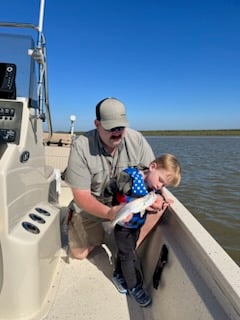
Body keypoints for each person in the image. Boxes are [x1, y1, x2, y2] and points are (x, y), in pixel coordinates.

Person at [64, 97, 163, 260]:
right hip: (93, 205)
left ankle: (131, 251)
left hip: (126, 201)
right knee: (79, 254)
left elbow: (152, 175)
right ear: (97, 124)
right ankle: (75, 218)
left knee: (161, 206)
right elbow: (81, 195)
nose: (117, 132)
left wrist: (159, 197)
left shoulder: (136, 139)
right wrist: (110, 213)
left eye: (121, 127)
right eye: (111, 128)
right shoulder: (81, 145)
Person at [109, 154, 181, 307]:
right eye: (160, 180)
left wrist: (163, 200)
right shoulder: (129, 178)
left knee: (127, 251)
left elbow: (155, 195)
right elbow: (117, 194)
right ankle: (134, 287)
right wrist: (128, 205)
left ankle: (118, 274)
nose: (159, 186)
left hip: (135, 226)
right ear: (153, 167)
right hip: (122, 225)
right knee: (128, 255)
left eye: (164, 185)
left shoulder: (152, 187)